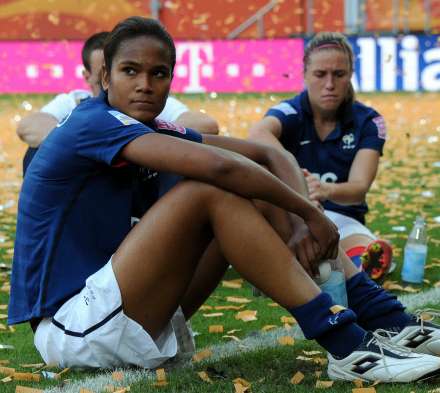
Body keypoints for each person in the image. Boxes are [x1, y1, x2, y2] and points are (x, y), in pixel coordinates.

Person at [8, 17, 440, 383]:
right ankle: (345, 344)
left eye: (158, 74)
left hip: (117, 312)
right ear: (104, 78)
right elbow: (222, 168)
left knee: (244, 189)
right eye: (130, 71)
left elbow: (267, 153)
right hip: (70, 328)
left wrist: (299, 226)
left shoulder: (151, 129)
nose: (145, 85)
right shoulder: (93, 122)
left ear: (171, 80)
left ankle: (385, 318)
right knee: (209, 192)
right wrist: (309, 212)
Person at [249, 32, 392, 282]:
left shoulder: (369, 121)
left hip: (342, 217)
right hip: (295, 213)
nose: (329, 84)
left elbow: (358, 189)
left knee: (362, 246)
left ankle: (349, 262)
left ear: (350, 75)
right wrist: (298, 182)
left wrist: (323, 190)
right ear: (305, 74)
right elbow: (258, 133)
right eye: (320, 74)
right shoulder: (289, 111)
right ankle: (314, 261)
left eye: (339, 74)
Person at [16, 31, 219, 175]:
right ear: (101, 76)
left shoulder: (144, 100)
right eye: (128, 71)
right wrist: (101, 145)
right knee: (34, 154)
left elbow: (206, 126)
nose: (111, 87)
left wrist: (130, 146)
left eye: (130, 72)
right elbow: (29, 126)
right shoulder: (73, 101)